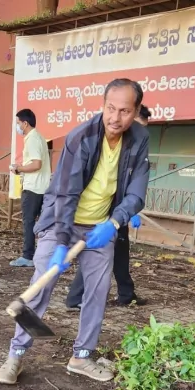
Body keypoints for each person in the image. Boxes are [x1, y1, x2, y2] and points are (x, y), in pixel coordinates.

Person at [0, 79, 150, 385]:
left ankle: (81, 356)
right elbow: (65, 194)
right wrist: (62, 243)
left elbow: (137, 189)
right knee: (41, 287)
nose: (115, 118)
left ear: (135, 112)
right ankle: (14, 356)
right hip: (61, 222)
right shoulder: (82, 137)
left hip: (102, 227)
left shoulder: (140, 138)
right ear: (102, 105)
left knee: (97, 292)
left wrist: (115, 221)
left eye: (124, 111)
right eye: (110, 108)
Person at [65, 104, 152, 309]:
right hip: (102, 215)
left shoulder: (136, 147)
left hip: (118, 215)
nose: (137, 133)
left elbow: (133, 186)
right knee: (97, 254)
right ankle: (75, 298)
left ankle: (126, 293)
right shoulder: (97, 143)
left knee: (119, 254)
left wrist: (129, 212)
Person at [9, 108, 51, 268]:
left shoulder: (32, 139)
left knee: (28, 222)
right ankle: (43, 254)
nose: (17, 126)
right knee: (42, 223)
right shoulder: (38, 137)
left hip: (33, 188)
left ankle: (28, 256)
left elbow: (36, 164)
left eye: (18, 123)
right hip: (41, 186)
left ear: (25, 123)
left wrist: (19, 169)